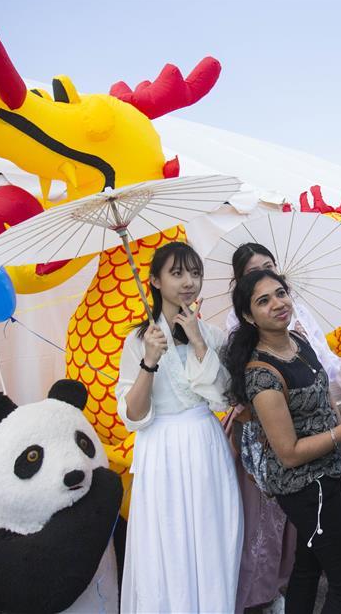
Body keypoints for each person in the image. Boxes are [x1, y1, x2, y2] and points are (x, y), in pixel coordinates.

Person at [224, 243, 341, 612]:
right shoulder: (261, 374)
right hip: (305, 488)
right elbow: (289, 453)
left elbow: (326, 401)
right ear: (248, 316)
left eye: (280, 293)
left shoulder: (297, 342)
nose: (277, 303)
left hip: (328, 474)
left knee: (307, 567)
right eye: (263, 301)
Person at [116, 241, 243, 612]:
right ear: (155, 280)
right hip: (161, 450)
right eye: (177, 273)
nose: (189, 282)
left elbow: (224, 398)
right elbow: (134, 415)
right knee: (167, 541)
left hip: (205, 445)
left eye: (195, 273)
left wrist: (200, 343)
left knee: (212, 534)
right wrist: (149, 361)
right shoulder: (139, 341)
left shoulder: (212, 335)